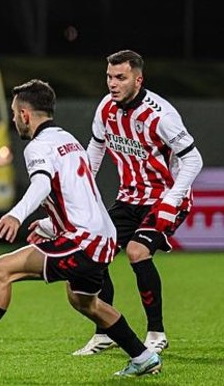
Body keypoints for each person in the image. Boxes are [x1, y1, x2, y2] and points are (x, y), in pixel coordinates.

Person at [0, 79, 162, 377]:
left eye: (15, 113)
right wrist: (47, 224)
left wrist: (16, 215)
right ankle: (143, 357)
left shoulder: (38, 146)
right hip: (102, 237)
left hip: (84, 239)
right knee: (85, 301)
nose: (14, 119)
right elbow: (76, 193)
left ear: (25, 115)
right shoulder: (67, 139)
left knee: (2, 269)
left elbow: (42, 184)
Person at [72, 50, 203, 355]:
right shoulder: (106, 107)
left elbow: (193, 159)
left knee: (136, 251)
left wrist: (172, 199)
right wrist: (81, 191)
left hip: (165, 198)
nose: (112, 84)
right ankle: (104, 333)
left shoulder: (160, 115)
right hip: (129, 197)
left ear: (138, 80)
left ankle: (156, 333)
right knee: (94, 253)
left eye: (120, 77)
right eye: (109, 77)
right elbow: (96, 149)